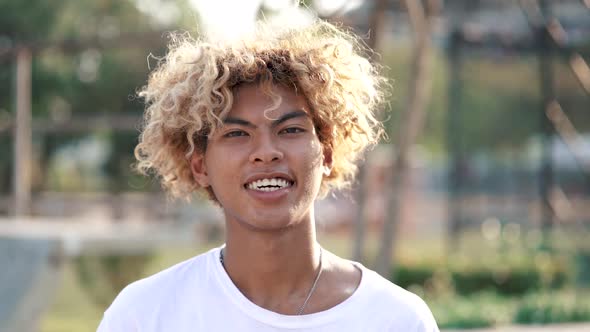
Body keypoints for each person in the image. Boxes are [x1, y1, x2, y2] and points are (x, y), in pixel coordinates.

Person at [97, 19, 439, 332]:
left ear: (328, 153)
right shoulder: (145, 314)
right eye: (236, 134)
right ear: (200, 166)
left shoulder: (396, 319)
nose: (266, 151)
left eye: (290, 130)